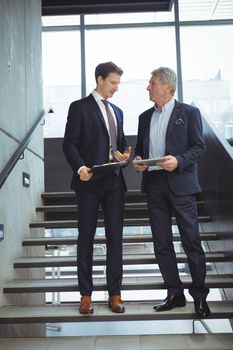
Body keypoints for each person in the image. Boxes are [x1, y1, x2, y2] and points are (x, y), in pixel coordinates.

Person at [133, 67, 211, 318]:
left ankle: (199, 298)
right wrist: (139, 161)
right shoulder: (144, 117)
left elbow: (199, 147)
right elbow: (142, 151)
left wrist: (178, 160)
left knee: (191, 242)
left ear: (167, 87)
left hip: (181, 185)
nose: (148, 87)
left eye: (152, 83)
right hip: (154, 185)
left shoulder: (189, 113)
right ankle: (174, 293)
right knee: (162, 243)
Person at [63, 61, 131, 314]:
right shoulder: (79, 107)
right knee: (86, 238)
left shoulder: (118, 111)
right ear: (100, 79)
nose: (116, 88)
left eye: (118, 83)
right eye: (113, 82)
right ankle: (86, 295)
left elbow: (121, 144)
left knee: (115, 239)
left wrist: (124, 154)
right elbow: (69, 144)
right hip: (88, 182)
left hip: (114, 182)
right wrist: (80, 168)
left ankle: (115, 294)